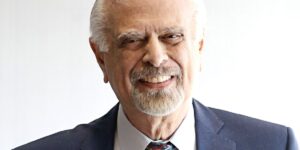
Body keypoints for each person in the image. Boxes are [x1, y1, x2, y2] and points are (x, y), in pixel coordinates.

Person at [14, 0, 298, 149]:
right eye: (132, 40)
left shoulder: (273, 145)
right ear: (101, 57)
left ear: (199, 46)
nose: (156, 57)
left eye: (172, 36)